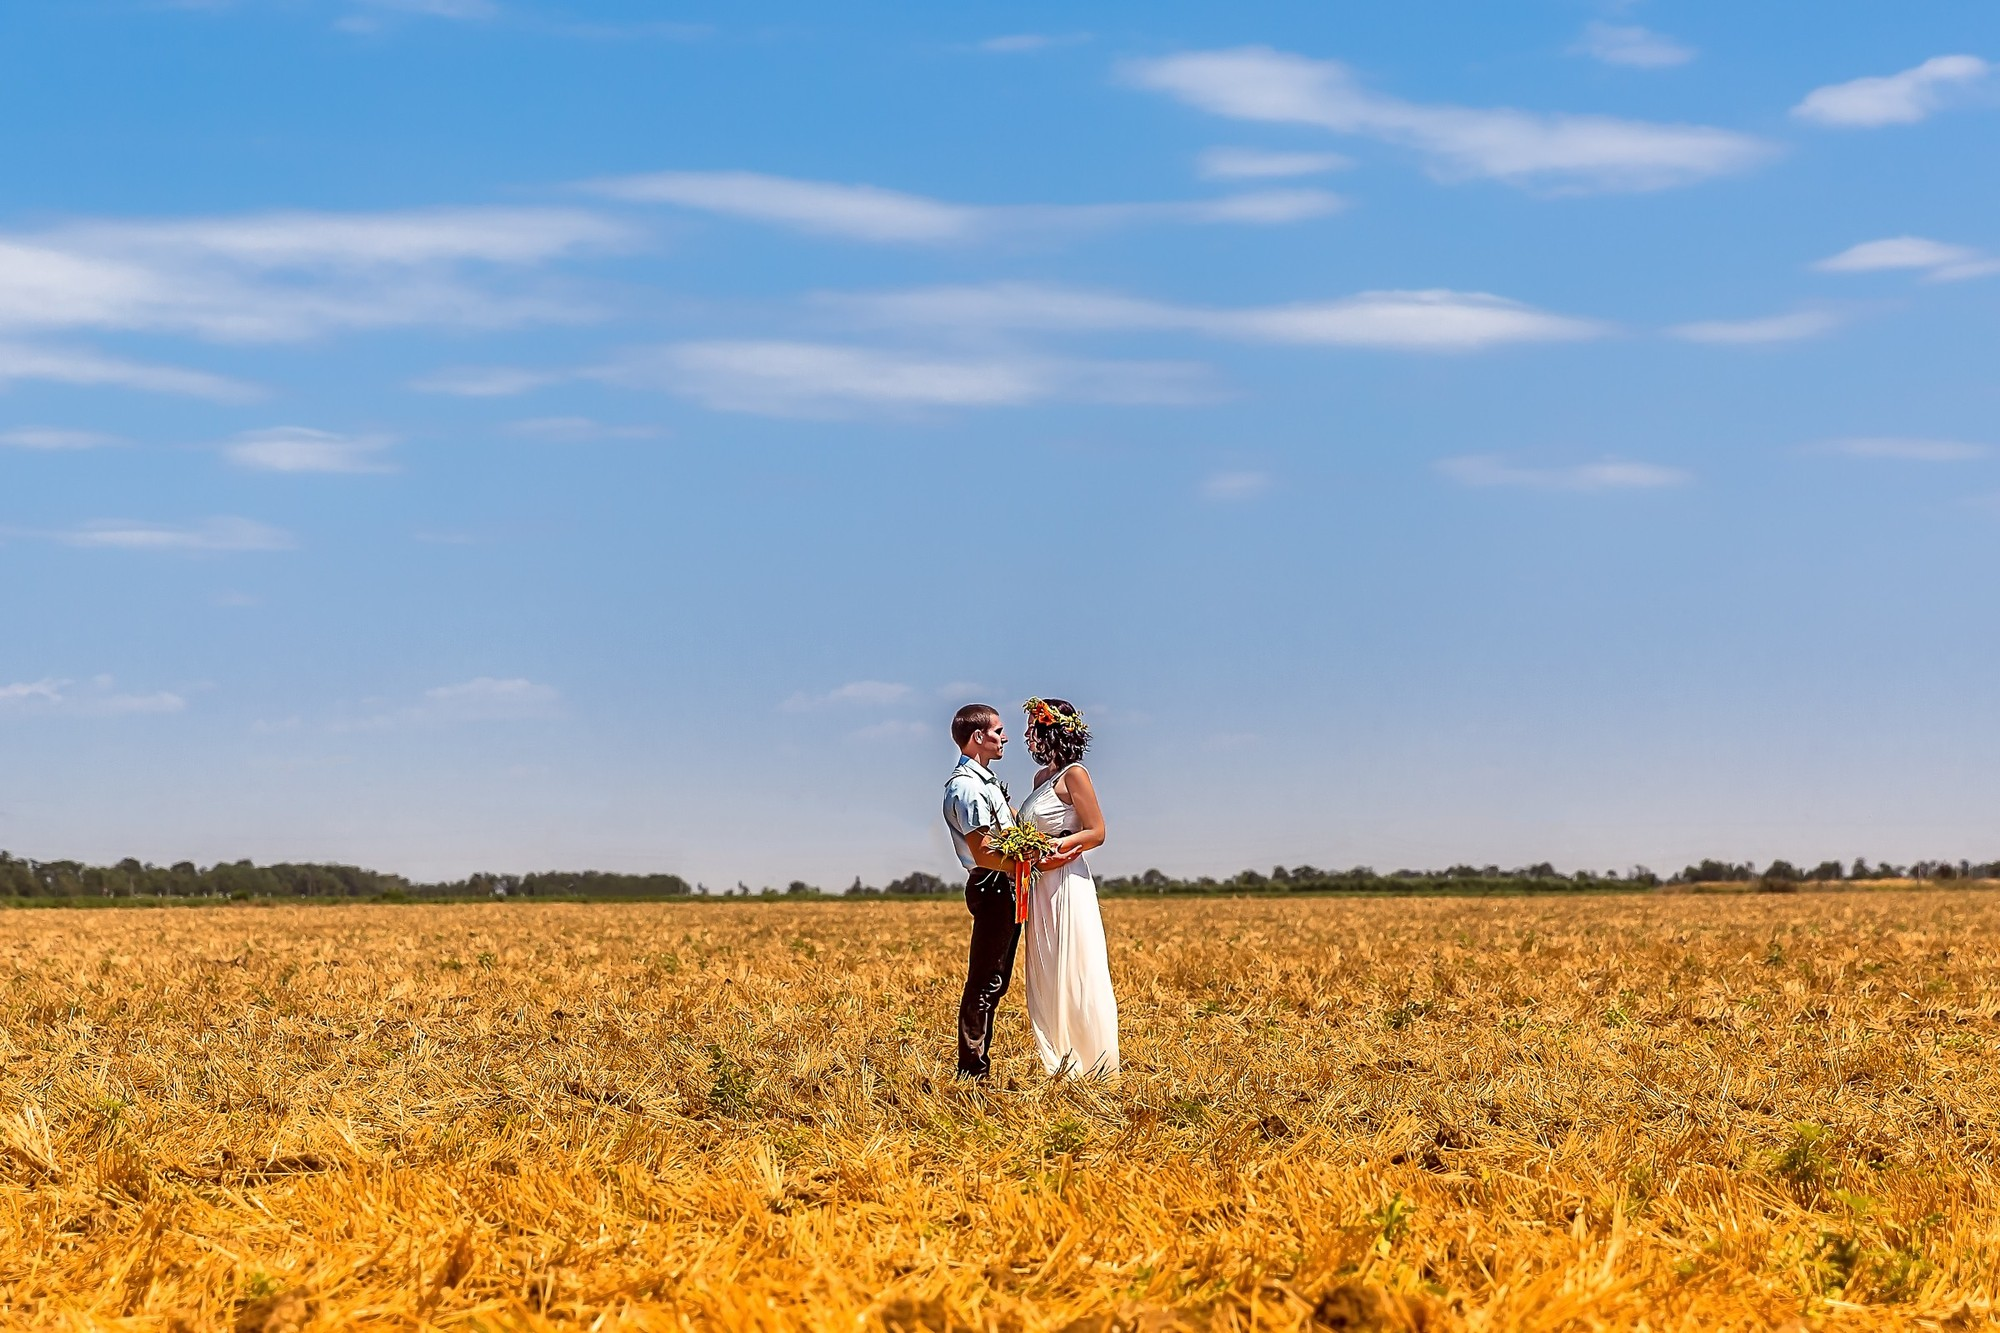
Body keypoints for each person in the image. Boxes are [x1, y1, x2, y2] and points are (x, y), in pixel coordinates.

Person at [1016, 697, 1118, 1077]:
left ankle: (1092, 1063)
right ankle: (1057, 1061)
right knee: (1046, 970)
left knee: (1074, 967)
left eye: (1033, 728)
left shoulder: (1075, 774)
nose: (1027, 736)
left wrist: (1053, 848)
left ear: (1052, 730)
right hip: (1038, 885)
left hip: (1066, 881)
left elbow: (1097, 831)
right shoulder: (1039, 779)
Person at [941, 703, 1038, 1080]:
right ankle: (972, 1071)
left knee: (994, 981)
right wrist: (1031, 865)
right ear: (978, 737)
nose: (1005, 738)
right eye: (998, 731)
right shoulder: (967, 787)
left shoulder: (986, 781)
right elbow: (984, 852)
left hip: (1003, 882)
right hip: (993, 882)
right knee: (986, 982)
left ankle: (975, 1067)